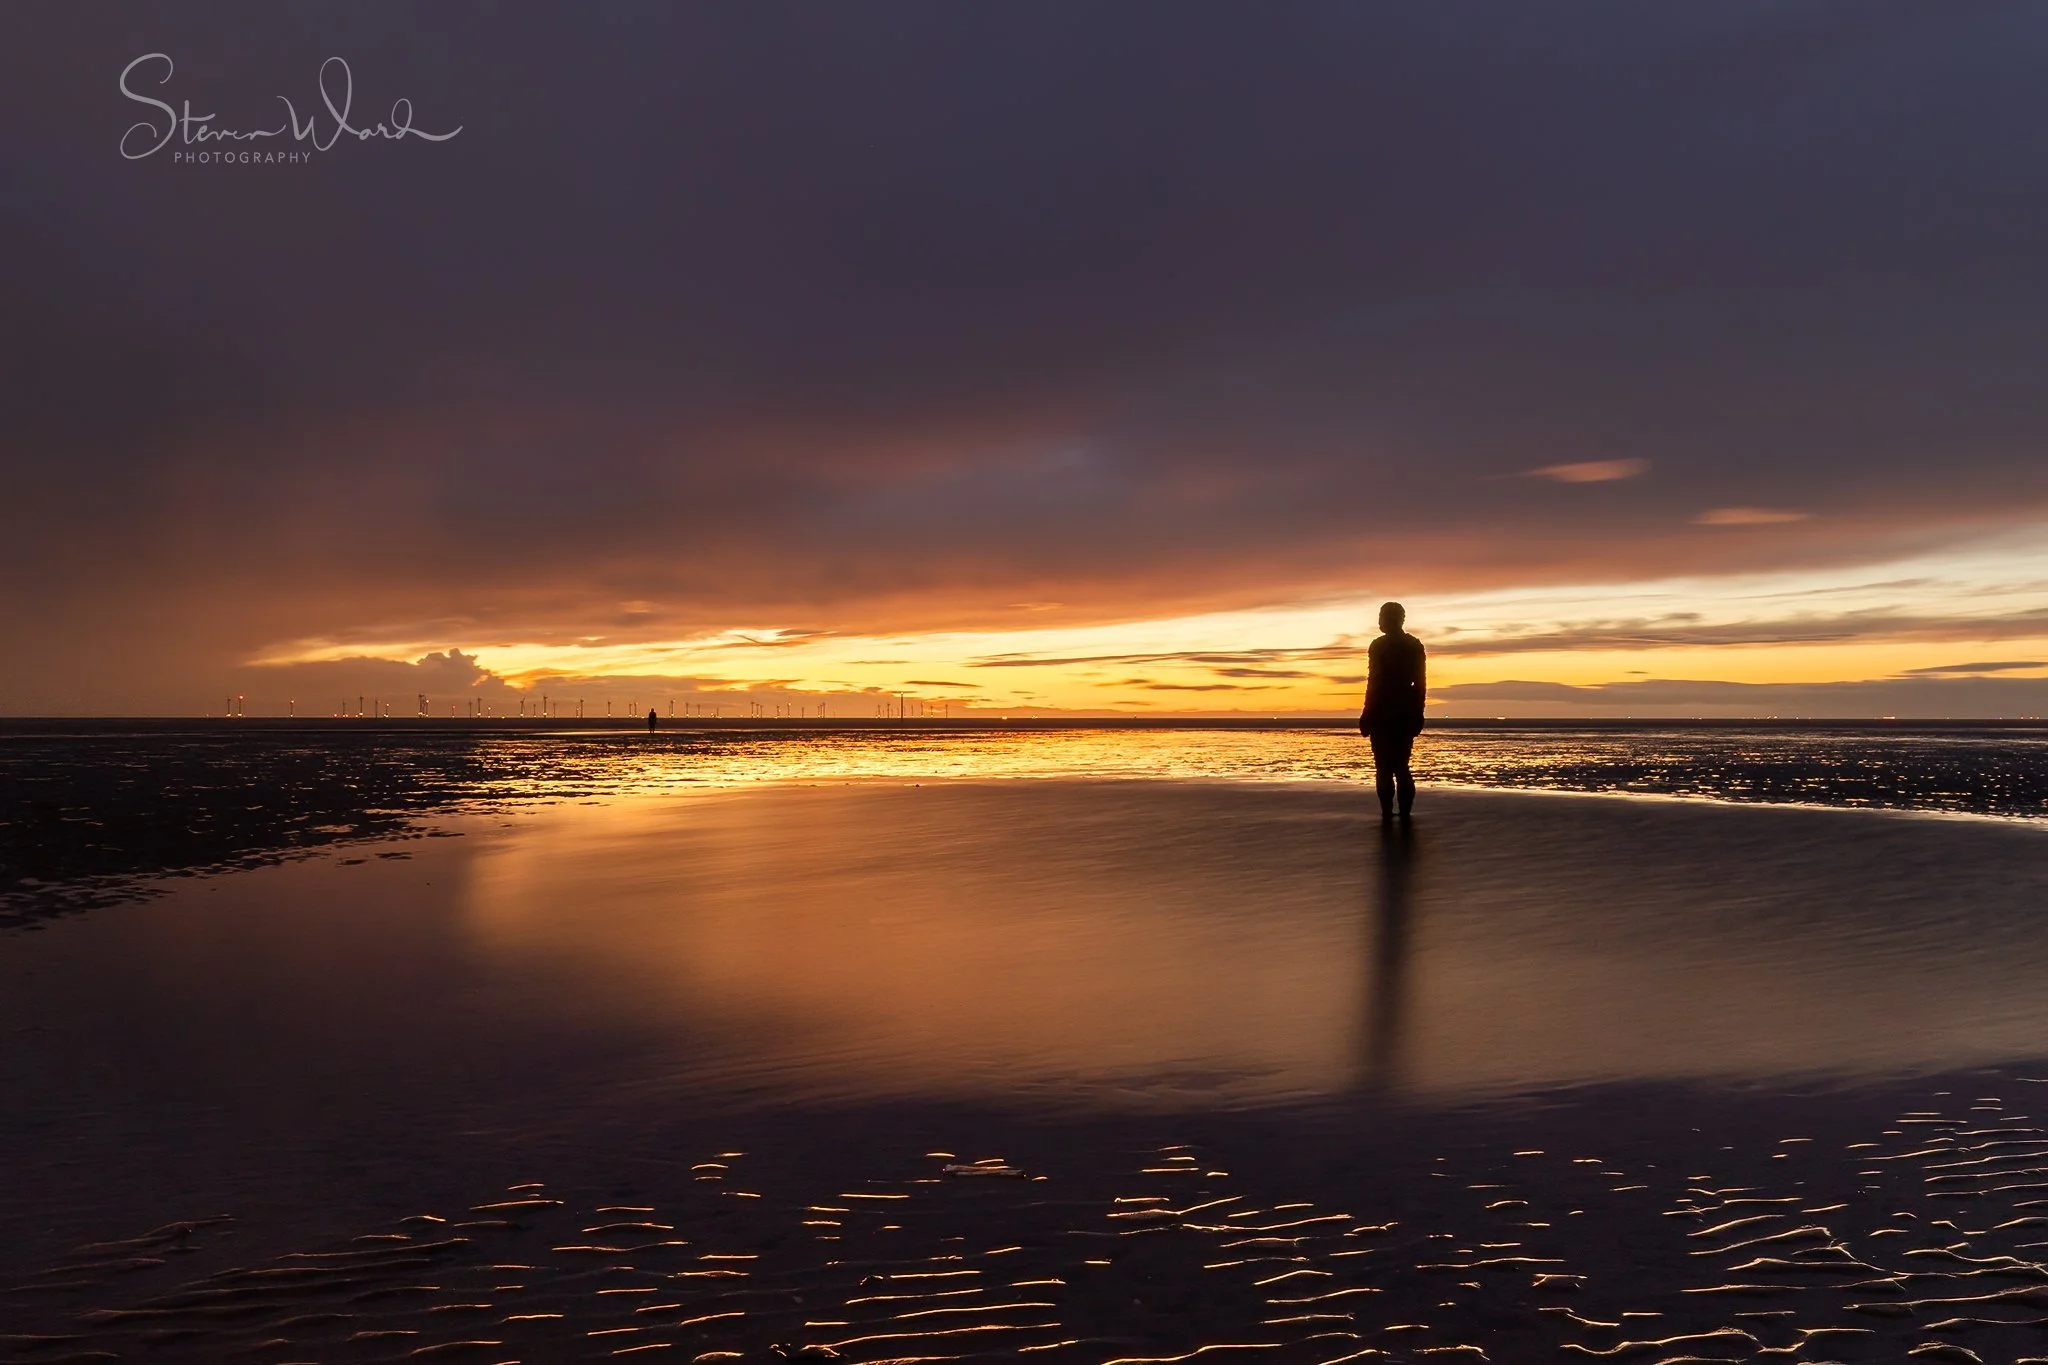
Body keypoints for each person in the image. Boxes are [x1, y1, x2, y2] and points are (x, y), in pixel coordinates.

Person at [1359, 601, 1426, 821]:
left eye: (1382, 616)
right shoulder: (1414, 644)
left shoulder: (1379, 646)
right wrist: (1418, 711)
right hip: (1406, 709)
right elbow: (1421, 683)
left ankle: (1388, 814)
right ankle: (1403, 815)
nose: (1379, 621)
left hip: (1384, 710)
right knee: (1401, 766)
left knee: (1385, 766)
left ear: (1392, 619)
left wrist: (1368, 712)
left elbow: (1374, 681)